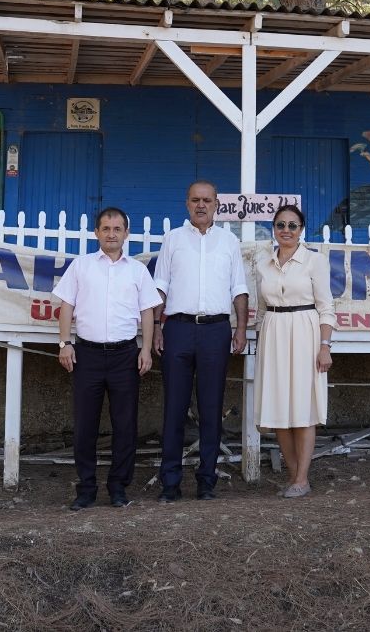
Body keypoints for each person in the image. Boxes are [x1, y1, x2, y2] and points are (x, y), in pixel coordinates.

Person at [53, 206, 160, 510]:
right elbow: (66, 307)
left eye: (117, 229)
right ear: (96, 233)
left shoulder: (137, 271)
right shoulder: (81, 266)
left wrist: (145, 349)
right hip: (86, 354)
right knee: (85, 426)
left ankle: (118, 486)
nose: (111, 234)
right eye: (105, 229)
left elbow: (148, 313)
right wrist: (65, 343)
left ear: (126, 233)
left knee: (125, 425)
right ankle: (86, 488)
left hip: (125, 356)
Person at [152, 180, 249, 502]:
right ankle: (170, 482)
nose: (201, 205)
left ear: (217, 204)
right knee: (174, 409)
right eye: (195, 200)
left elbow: (238, 288)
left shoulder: (229, 242)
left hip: (215, 331)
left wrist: (240, 330)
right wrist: (155, 326)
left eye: (207, 200)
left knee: (211, 409)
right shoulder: (173, 239)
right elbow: (160, 286)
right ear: (187, 203)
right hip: (177, 330)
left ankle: (207, 480)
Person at [254, 203, 334, 498]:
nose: (286, 230)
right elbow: (261, 310)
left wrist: (324, 346)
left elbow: (326, 307)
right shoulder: (263, 265)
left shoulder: (315, 262)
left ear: (301, 230)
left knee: (302, 407)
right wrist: (261, 340)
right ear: (274, 229)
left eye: (292, 225)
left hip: (305, 332)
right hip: (274, 334)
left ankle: (302, 478)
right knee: (277, 408)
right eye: (280, 225)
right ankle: (292, 477)